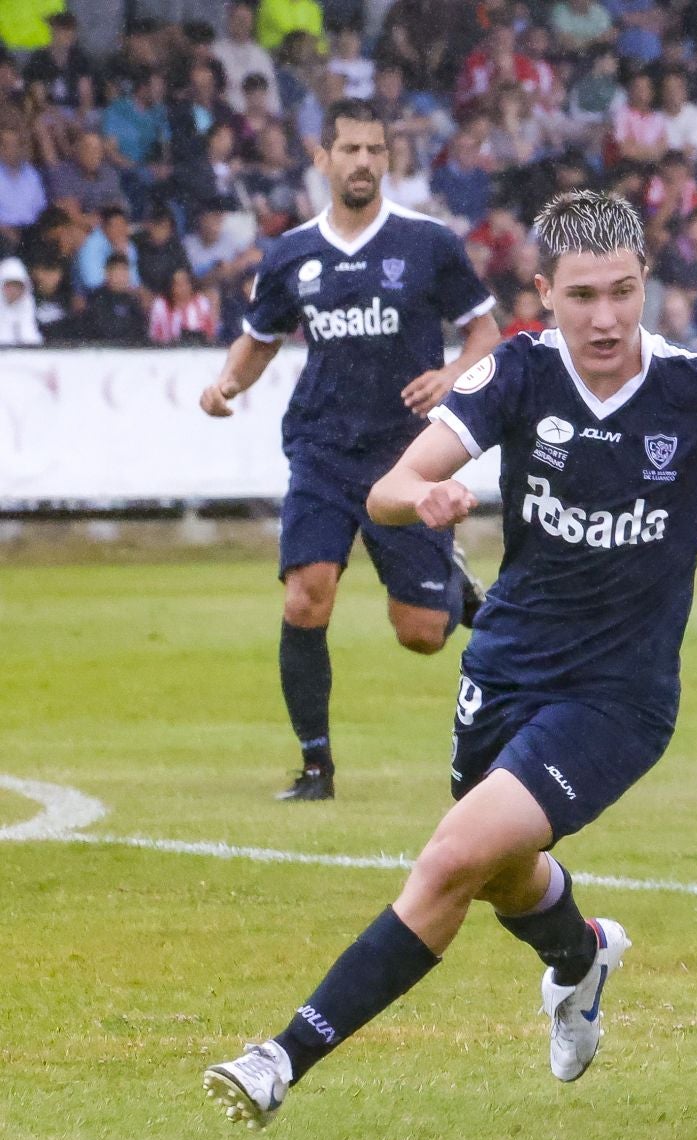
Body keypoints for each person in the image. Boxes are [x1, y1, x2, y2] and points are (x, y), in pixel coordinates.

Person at [203, 189, 697, 1131]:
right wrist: (419, 500)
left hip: (619, 699)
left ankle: (279, 1058)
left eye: (625, 292)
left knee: (449, 861)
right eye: (585, 295)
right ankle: (580, 957)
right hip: (507, 665)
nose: (607, 317)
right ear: (544, 293)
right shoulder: (517, 372)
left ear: (648, 287)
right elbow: (394, 483)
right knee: (503, 871)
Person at [197, 99, 502, 802]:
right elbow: (262, 336)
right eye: (350, 149)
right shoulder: (291, 253)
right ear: (322, 158)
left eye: (375, 149)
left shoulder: (428, 243)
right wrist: (225, 384)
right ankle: (315, 768)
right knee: (307, 597)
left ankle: (453, 588)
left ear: (387, 159)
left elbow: (485, 334)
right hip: (322, 448)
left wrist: (452, 375)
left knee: (422, 633)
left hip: (407, 457)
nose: (363, 161)